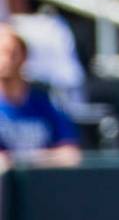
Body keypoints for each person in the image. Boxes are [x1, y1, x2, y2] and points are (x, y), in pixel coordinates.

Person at [0, 24, 81, 166]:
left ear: (24, 56)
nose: (6, 60)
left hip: (42, 182)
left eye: (11, 53)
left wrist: (27, 160)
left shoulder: (45, 101)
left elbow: (70, 153)